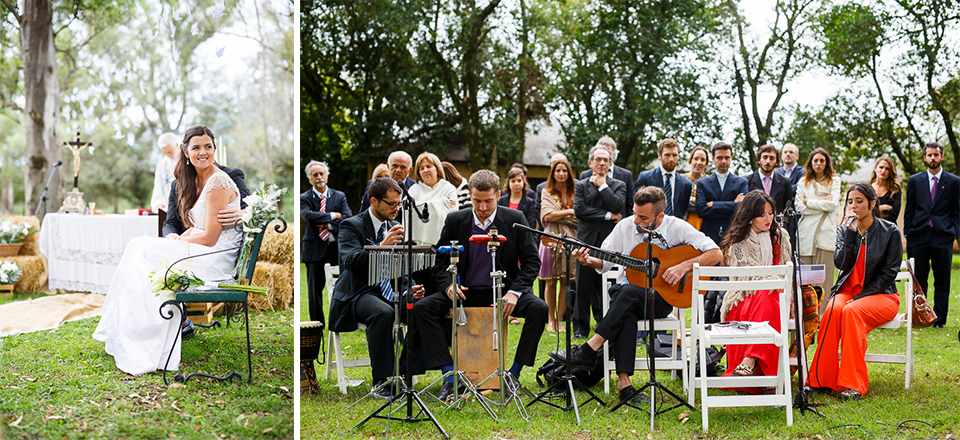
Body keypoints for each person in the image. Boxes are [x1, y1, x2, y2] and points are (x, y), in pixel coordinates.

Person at [93, 125, 246, 376]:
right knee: (137, 246)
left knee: (146, 253)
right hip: (204, 247)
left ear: (215, 149)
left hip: (216, 256)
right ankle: (127, 332)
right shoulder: (189, 180)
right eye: (196, 147)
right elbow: (184, 225)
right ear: (185, 152)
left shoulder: (218, 181)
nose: (203, 152)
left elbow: (209, 237)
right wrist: (179, 236)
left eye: (208, 146)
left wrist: (181, 240)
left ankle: (150, 341)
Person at [549, 186, 721, 404]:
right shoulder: (624, 226)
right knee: (626, 304)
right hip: (626, 295)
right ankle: (625, 387)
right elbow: (604, 261)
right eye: (634, 214)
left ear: (659, 216)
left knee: (625, 295)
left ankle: (590, 347)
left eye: (643, 217)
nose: (636, 221)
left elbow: (716, 253)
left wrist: (682, 267)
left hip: (661, 299)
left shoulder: (678, 227)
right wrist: (587, 260)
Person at [412, 170, 546, 401]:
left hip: (503, 292)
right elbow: (440, 261)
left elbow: (532, 262)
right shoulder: (456, 220)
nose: (482, 208)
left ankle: (512, 374)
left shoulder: (515, 219)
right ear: (470, 196)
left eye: (488, 201)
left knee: (539, 309)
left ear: (498, 195)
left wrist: (514, 293)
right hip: (465, 292)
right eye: (477, 201)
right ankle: (449, 375)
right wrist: (448, 286)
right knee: (423, 308)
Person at [328, 177, 426, 399]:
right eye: (391, 204)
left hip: (388, 293)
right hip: (357, 293)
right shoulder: (351, 225)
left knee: (423, 307)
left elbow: (400, 267)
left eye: (398, 204)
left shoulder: (394, 227)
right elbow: (350, 261)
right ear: (374, 201)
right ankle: (381, 383)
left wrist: (410, 287)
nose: (396, 209)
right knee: (384, 312)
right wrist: (381, 247)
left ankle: (402, 373)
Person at [807, 183, 902, 400]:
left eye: (859, 201)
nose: (854, 206)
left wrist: (860, 297)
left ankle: (853, 385)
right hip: (848, 292)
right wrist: (850, 236)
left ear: (872, 203)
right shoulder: (843, 230)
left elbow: (889, 273)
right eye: (850, 202)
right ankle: (821, 380)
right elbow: (841, 262)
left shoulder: (890, 231)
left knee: (851, 312)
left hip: (882, 295)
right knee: (831, 311)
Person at [717, 190, 792, 393]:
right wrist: (775, 280)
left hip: (777, 293)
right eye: (762, 215)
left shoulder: (781, 236)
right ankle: (766, 373)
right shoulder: (737, 244)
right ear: (749, 217)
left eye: (771, 213)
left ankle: (751, 360)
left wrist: (777, 284)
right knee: (764, 293)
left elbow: (788, 267)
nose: (768, 219)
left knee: (768, 294)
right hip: (744, 296)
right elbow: (747, 276)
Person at [903, 142, 960, 328]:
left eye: (936, 155)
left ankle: (939, 320)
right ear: (924, 157)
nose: (933, 158)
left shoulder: (953, 181)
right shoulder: (914, 180)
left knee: (942, 280)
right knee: (919, 280)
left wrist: (954, 233)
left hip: (942, 237)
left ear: (941, 157)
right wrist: (908, 232)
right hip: (918, 236)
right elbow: (909, 210)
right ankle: (920, 318)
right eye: (929, 155)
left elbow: (957, 212)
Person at [573, 144, 626, 338]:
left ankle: (603, 324)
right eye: (598, 159)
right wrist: (607, 215)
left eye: (605, 160)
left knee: (604, 285)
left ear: (610, 163)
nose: (602, 163)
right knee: (582, 286)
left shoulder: (618, 185)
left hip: (610, 242)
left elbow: (617, 204)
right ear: (590, 163)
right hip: (585, 242)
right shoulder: (580, 184)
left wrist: (602, 186)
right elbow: (580, 210)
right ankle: (580, 328)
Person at [301, 160, 351, 325]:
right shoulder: (304, 198)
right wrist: (333, 216)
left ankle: (339, 321)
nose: (319, 177)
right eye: (315, 174)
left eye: (322, 173)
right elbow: (308, 217)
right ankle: (317, 324)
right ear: (310, 178)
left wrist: (325, 223)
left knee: (341, 286)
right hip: (314, 250)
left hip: (335, 248)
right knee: (314, 291)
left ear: (327, 175)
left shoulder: (339, 196)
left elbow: (347, 219)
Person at [538, 158, 577, 332]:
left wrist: (558, 214)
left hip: (571, 238)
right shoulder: (546, 192)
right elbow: (547, 216)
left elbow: (580, 218)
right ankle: (550, 320)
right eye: (558, 171)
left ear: (569, 173)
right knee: (550, 281)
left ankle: (560, 320)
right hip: (551, 238)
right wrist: (568, 211)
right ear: (553, 173)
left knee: (565, 280)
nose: (561, 174)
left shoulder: (575, 192)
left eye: (564, 171)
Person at [795, 147, 841, 293]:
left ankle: (823, 315)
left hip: (825, 235)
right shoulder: (803, 182)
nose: (819, 163)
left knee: (824, 282)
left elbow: (832, 204)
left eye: (822, 160)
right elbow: (799, 207)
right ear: (811, 163)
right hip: (806, 235)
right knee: (804, 281)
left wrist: (809, 202)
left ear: (827, 163)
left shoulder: (834, 181)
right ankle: (805, 315)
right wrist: (823, 203)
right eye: (816, 160)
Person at [696, 142, 748, 246]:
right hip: (708, 236)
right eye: (719, 158)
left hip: (734, 235)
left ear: (731, 158)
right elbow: (701, 210)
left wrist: (714, 205)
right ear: (712, 158)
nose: (723, 161)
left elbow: (743, 209)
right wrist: (732, 204)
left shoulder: (741, 182)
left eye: (727, 157)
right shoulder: (702, 183)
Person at [634, 138, 693, 219]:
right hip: (650, 225)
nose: (671, 159)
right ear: (659, 155)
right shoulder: (645, 177)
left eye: (674, 155)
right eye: (667, 155)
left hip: (675, 227)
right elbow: (635, 204)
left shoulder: (686, 184)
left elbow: (682, 209)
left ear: (678, 156)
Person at [408, 152, 458, 246]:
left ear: (437, 169)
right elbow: (408, 210)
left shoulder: (448, 188)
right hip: (418, 244)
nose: (425, 170)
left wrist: (421, 204)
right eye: (421, 168)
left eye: (429, 166)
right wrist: (441, 203)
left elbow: (452, 214)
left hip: (444, 242)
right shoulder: (414, 189)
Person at [580, 136, 634, 219]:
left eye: (608, 150)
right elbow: (581, 207)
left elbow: (630, 204)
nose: (604, 152)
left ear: (614, 154)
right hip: (592, 225)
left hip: (618, 223)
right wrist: (608, 215)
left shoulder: (625, 175)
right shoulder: (585, 175)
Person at [746, 145, 795, 215]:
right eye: (765, 157)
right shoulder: (746, 181)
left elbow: (788, 209)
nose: (768, 161)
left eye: (772, 158)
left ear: (776, 162)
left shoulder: (785, 182)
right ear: (759, 160)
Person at [150, 133, 179, 229]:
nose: (168, 155)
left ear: (177, 145)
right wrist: (159, 204)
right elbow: (158, 189)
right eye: (165, 153)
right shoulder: (162, 165)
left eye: (170, 151)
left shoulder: (187, 160)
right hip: (168, 211)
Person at [498, 166, 538, 230]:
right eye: (513, 181)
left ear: (523, 182)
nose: (516, 184)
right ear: (508, 183)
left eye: (519, 181)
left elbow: (531, 225)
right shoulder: (501, 201)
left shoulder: (530, 203)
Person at [870, 156, 902, 224]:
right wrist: (881, 208)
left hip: (889, 230)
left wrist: (873, 211)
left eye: (887, 169)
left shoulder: (895, 190)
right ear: (875, 169)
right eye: (881, 167)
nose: (883, 171)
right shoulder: (867, 189)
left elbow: (894, 215)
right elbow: (864, 213)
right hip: (870, 230)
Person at [685, 146, 709, 230]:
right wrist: (703, 203)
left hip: (704, 227)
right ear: (690, 160)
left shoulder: (710, 181)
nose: (699, 162)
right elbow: (680, 204)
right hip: (684, 226)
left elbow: (713, 206)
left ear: (706, 163)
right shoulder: (681, 179)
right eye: (696, 159)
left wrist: (693, 200)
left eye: (702, 160)